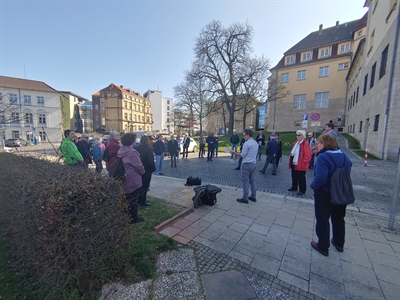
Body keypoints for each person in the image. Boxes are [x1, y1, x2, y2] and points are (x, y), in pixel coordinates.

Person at [310, 134, 352, 256]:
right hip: (341, 192)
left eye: (319, 143)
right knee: (339, 218)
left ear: (325, 144)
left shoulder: (323, 157)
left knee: (323, 219)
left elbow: (321, 178)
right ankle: (339, 243)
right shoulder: (343, 156)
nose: (317, 145)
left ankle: (323, 245)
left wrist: (313, 186)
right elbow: (348, 169)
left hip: (325, 192)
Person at [117, 133, 145, 224]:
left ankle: (125, 215)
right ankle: (133, 218)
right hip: (132, 179)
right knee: (133, 200)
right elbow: (138, 166)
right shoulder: (132, 152)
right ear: (132, 141)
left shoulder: (122, 150)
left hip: (124, 177)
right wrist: (142, 172)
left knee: (126, 198)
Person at [230, 129, 258, 203]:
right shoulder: (255, 143)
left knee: (245, 181)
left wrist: (234, 152)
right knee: (252, 181)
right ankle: (253, 196)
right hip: (253, 163)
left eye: (244, 135)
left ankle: (245, 197)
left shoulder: (247, 143)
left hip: (247, 164)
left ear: (248, 135)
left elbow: (242, 154)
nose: (243, 137)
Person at [288, 130, 312, 196]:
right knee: (294, 175)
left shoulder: (305, 143)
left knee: (301, 177)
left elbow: (308, 154)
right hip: (294, 161)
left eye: (299, 135)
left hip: (301, 163)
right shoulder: (296, 142)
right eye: (297, 135)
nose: (297, 136)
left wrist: (304, 162)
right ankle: (294, 186)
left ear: (303, 136)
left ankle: (302, 190)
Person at [136, 135, 155, 207]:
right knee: (145, 186)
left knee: (139, 185)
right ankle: (143, 201)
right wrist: (153, 168)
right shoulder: (149, 149)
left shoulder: (138, 148)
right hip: (146, 170)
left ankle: (138, 199)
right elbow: (150, 162)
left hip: (139, 169)